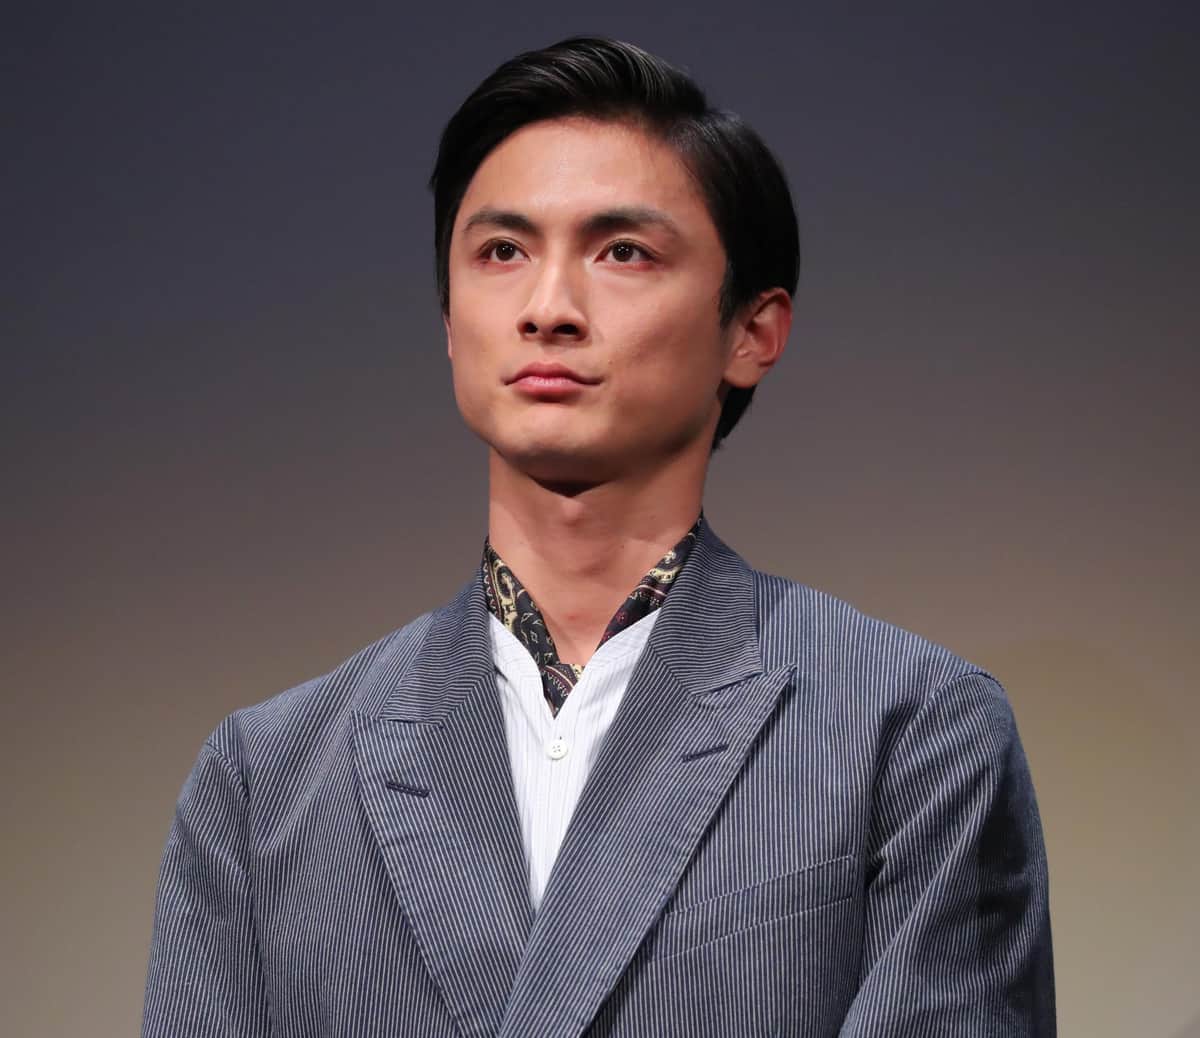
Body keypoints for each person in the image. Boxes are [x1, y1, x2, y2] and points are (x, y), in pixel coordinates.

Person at [142, 36, 1055, 1037]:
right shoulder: (265, 780)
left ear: (752, 331)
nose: (548, 309)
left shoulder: (909, 729)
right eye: (502, 252)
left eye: (623, 252)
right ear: (448, 320)